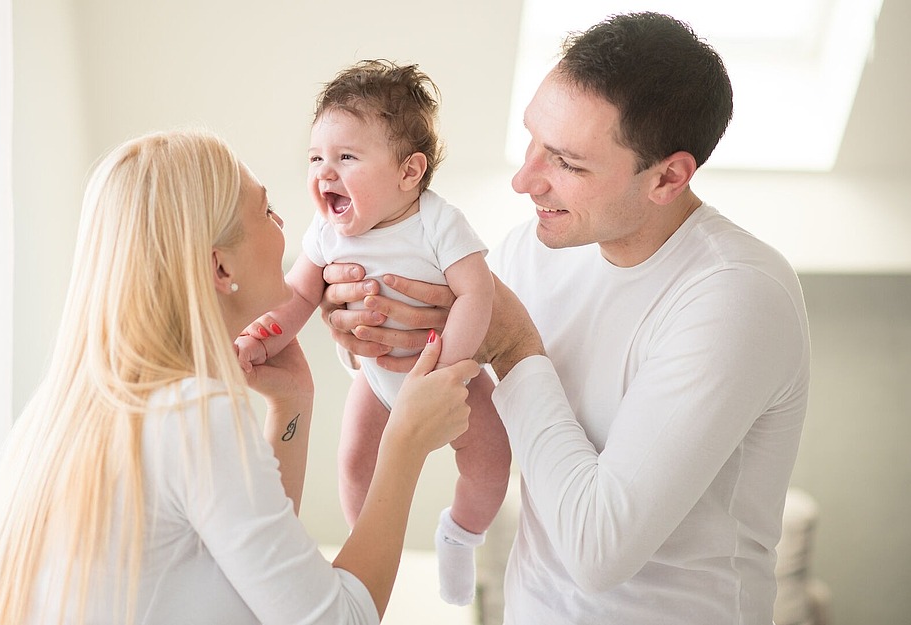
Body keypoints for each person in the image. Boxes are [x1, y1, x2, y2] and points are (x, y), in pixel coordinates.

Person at [318, 12, 811, 625]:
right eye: (531, 139)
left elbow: (597, 551)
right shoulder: (539, 248)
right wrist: (361, 324)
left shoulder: (736, 296)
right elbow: (448, 379)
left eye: (567, 163)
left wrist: (516, 345)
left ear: (668, 177)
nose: (526, 180)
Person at [0, 129, 482, 625]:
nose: (285, 224)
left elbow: (253, 583)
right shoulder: (192, 414)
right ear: (221, 269)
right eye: (265, 211)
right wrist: (405, 443)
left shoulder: (63, 416)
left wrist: (294, 406)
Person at [233, 60, 511, 605]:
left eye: (347, 157)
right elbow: (297, 295)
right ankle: (370, 542)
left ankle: (461, 534)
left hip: (448, 375)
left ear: (409, 173)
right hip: (377, 379)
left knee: (490, 463)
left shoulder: (437, 222)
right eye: (316, 157)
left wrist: (448, 371)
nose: (324, 172)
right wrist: (264, 336)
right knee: (355, 462)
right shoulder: (325, 231)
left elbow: (479, 293)